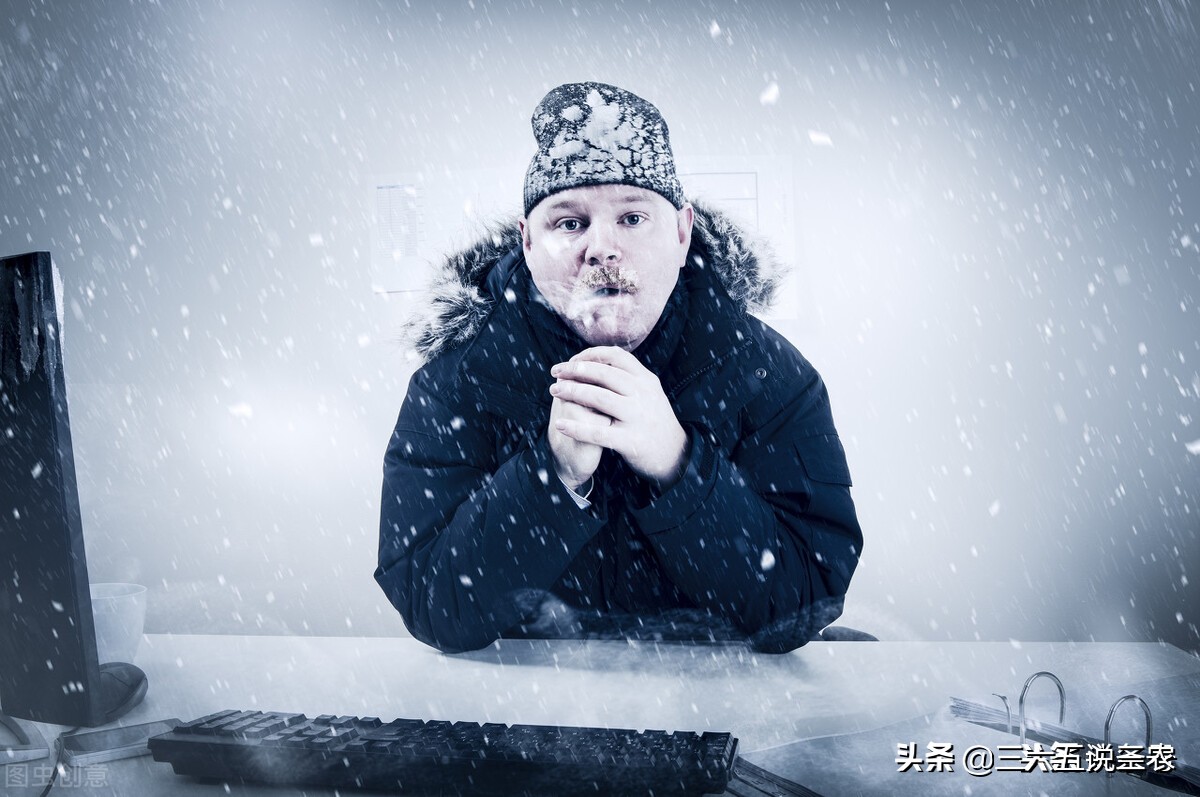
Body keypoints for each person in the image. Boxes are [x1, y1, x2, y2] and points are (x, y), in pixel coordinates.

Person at [375, 82, 863, 654]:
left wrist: (677, 463)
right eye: (569, 223)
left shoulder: (768, 375)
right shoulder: (457, 384)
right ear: (527, 244)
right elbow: (431, 604)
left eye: (632, 218)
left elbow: (805, 600)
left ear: (681, 233)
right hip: (531, 696)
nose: (602, 248)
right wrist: (552, 475)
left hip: (717, 690)